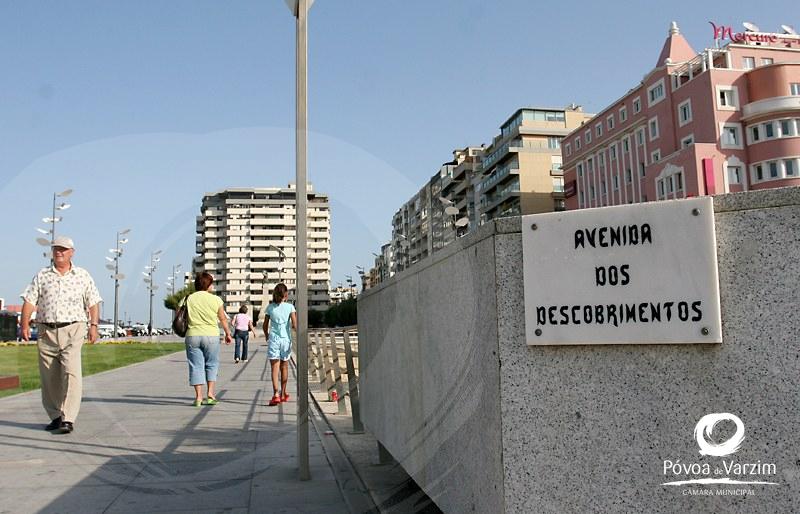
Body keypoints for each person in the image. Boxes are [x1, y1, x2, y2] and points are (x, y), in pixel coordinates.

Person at [20, 236, 102, 434]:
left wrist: (93, 325)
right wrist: (24, 323)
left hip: (74, 328)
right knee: (49, 377)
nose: (59, 252)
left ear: (72, 252)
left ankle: (69, 418)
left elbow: (93, 302)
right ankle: (56, 415)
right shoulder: (42, 275)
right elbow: (30, 300)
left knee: (71, 371)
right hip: (46, 331)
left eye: (63, 249)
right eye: (56, 248)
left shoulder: (82, 275)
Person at [184, 272, 232, 406]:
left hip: (193, 334)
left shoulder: (188, 298)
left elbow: (181, 315)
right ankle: (210, 394)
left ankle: (198, 397)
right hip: (211, 335)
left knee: (196, 366)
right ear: (208, 285)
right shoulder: (216, 300)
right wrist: (228, 333)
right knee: (211, 364)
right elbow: (222, 318)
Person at [262, 283, 296, 406]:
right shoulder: (290, 307)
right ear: (286, 295)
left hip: (274, 340)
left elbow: (265, 326)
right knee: (284, 367)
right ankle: (283, 393)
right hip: (285, 340)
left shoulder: (270, 308)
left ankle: (276, 394)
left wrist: (267, 336)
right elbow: (295, 325)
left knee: (274, 368)